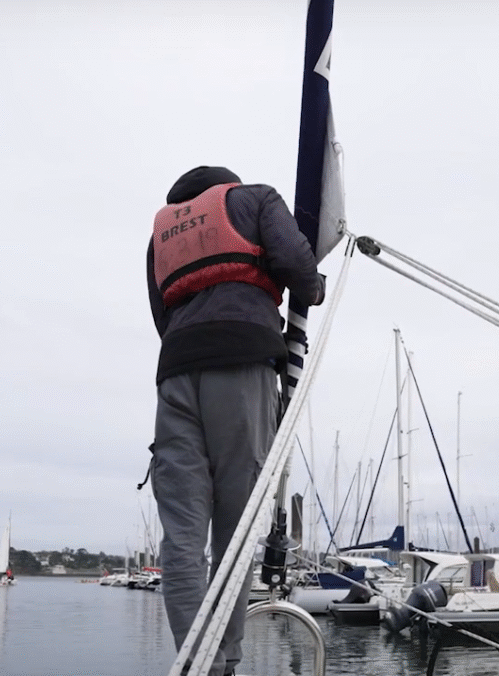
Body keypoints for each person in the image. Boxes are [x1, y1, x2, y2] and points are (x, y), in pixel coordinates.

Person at [146, 165, 325, 676]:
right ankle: (223, 661)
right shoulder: (255, 199)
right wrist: (313, 289)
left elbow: (162, 314)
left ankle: (193, 662)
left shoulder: (159, 234)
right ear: (226, 186)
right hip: (242, 361)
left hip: (176, 373)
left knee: (182, 535)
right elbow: (298, 268)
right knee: (236, 525)